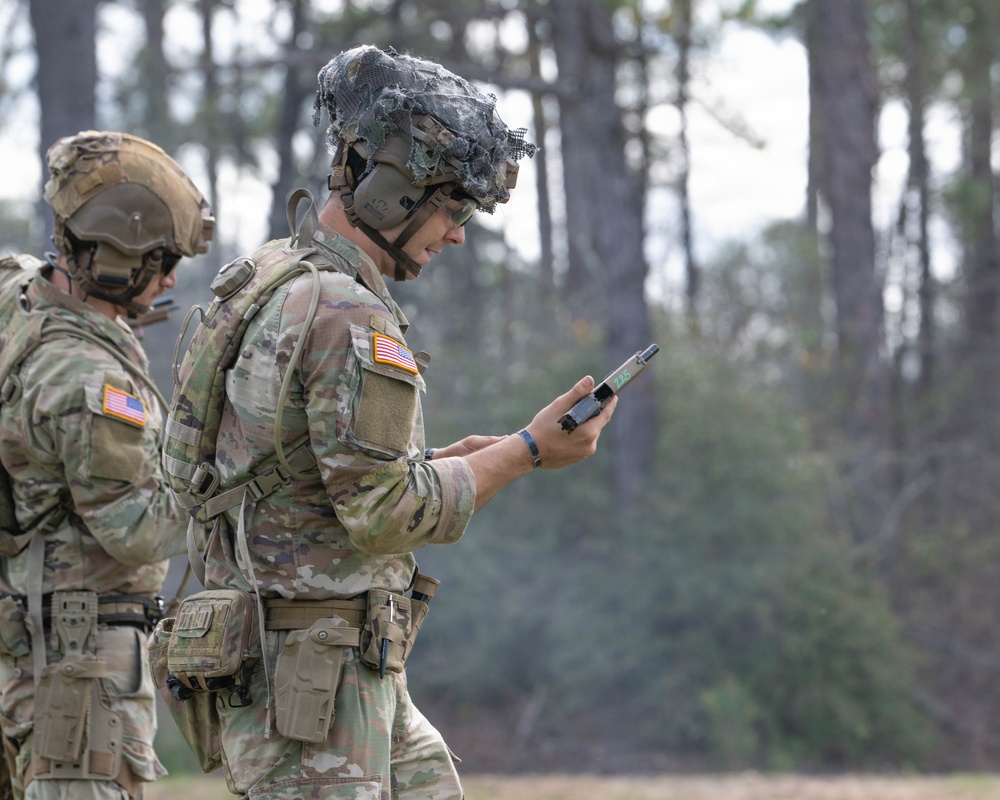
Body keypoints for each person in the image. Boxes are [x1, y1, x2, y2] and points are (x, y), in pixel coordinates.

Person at [163, 45, 615, 800]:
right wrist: (528, 452)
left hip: (314, 660)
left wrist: (452, 460)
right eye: (453, 207)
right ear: (393, 194)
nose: (458, 233)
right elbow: (381, 513)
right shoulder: (348, 314)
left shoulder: (274, 276)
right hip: (313, 688)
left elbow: (296, 473)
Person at [0, 130, 214, 800]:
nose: (170, 280)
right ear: (114, 258)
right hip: (77, 665)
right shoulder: (89, 380)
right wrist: (228, 474)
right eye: (160, 260)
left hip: (31, 644)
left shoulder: (17, 292)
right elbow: (138, 530)